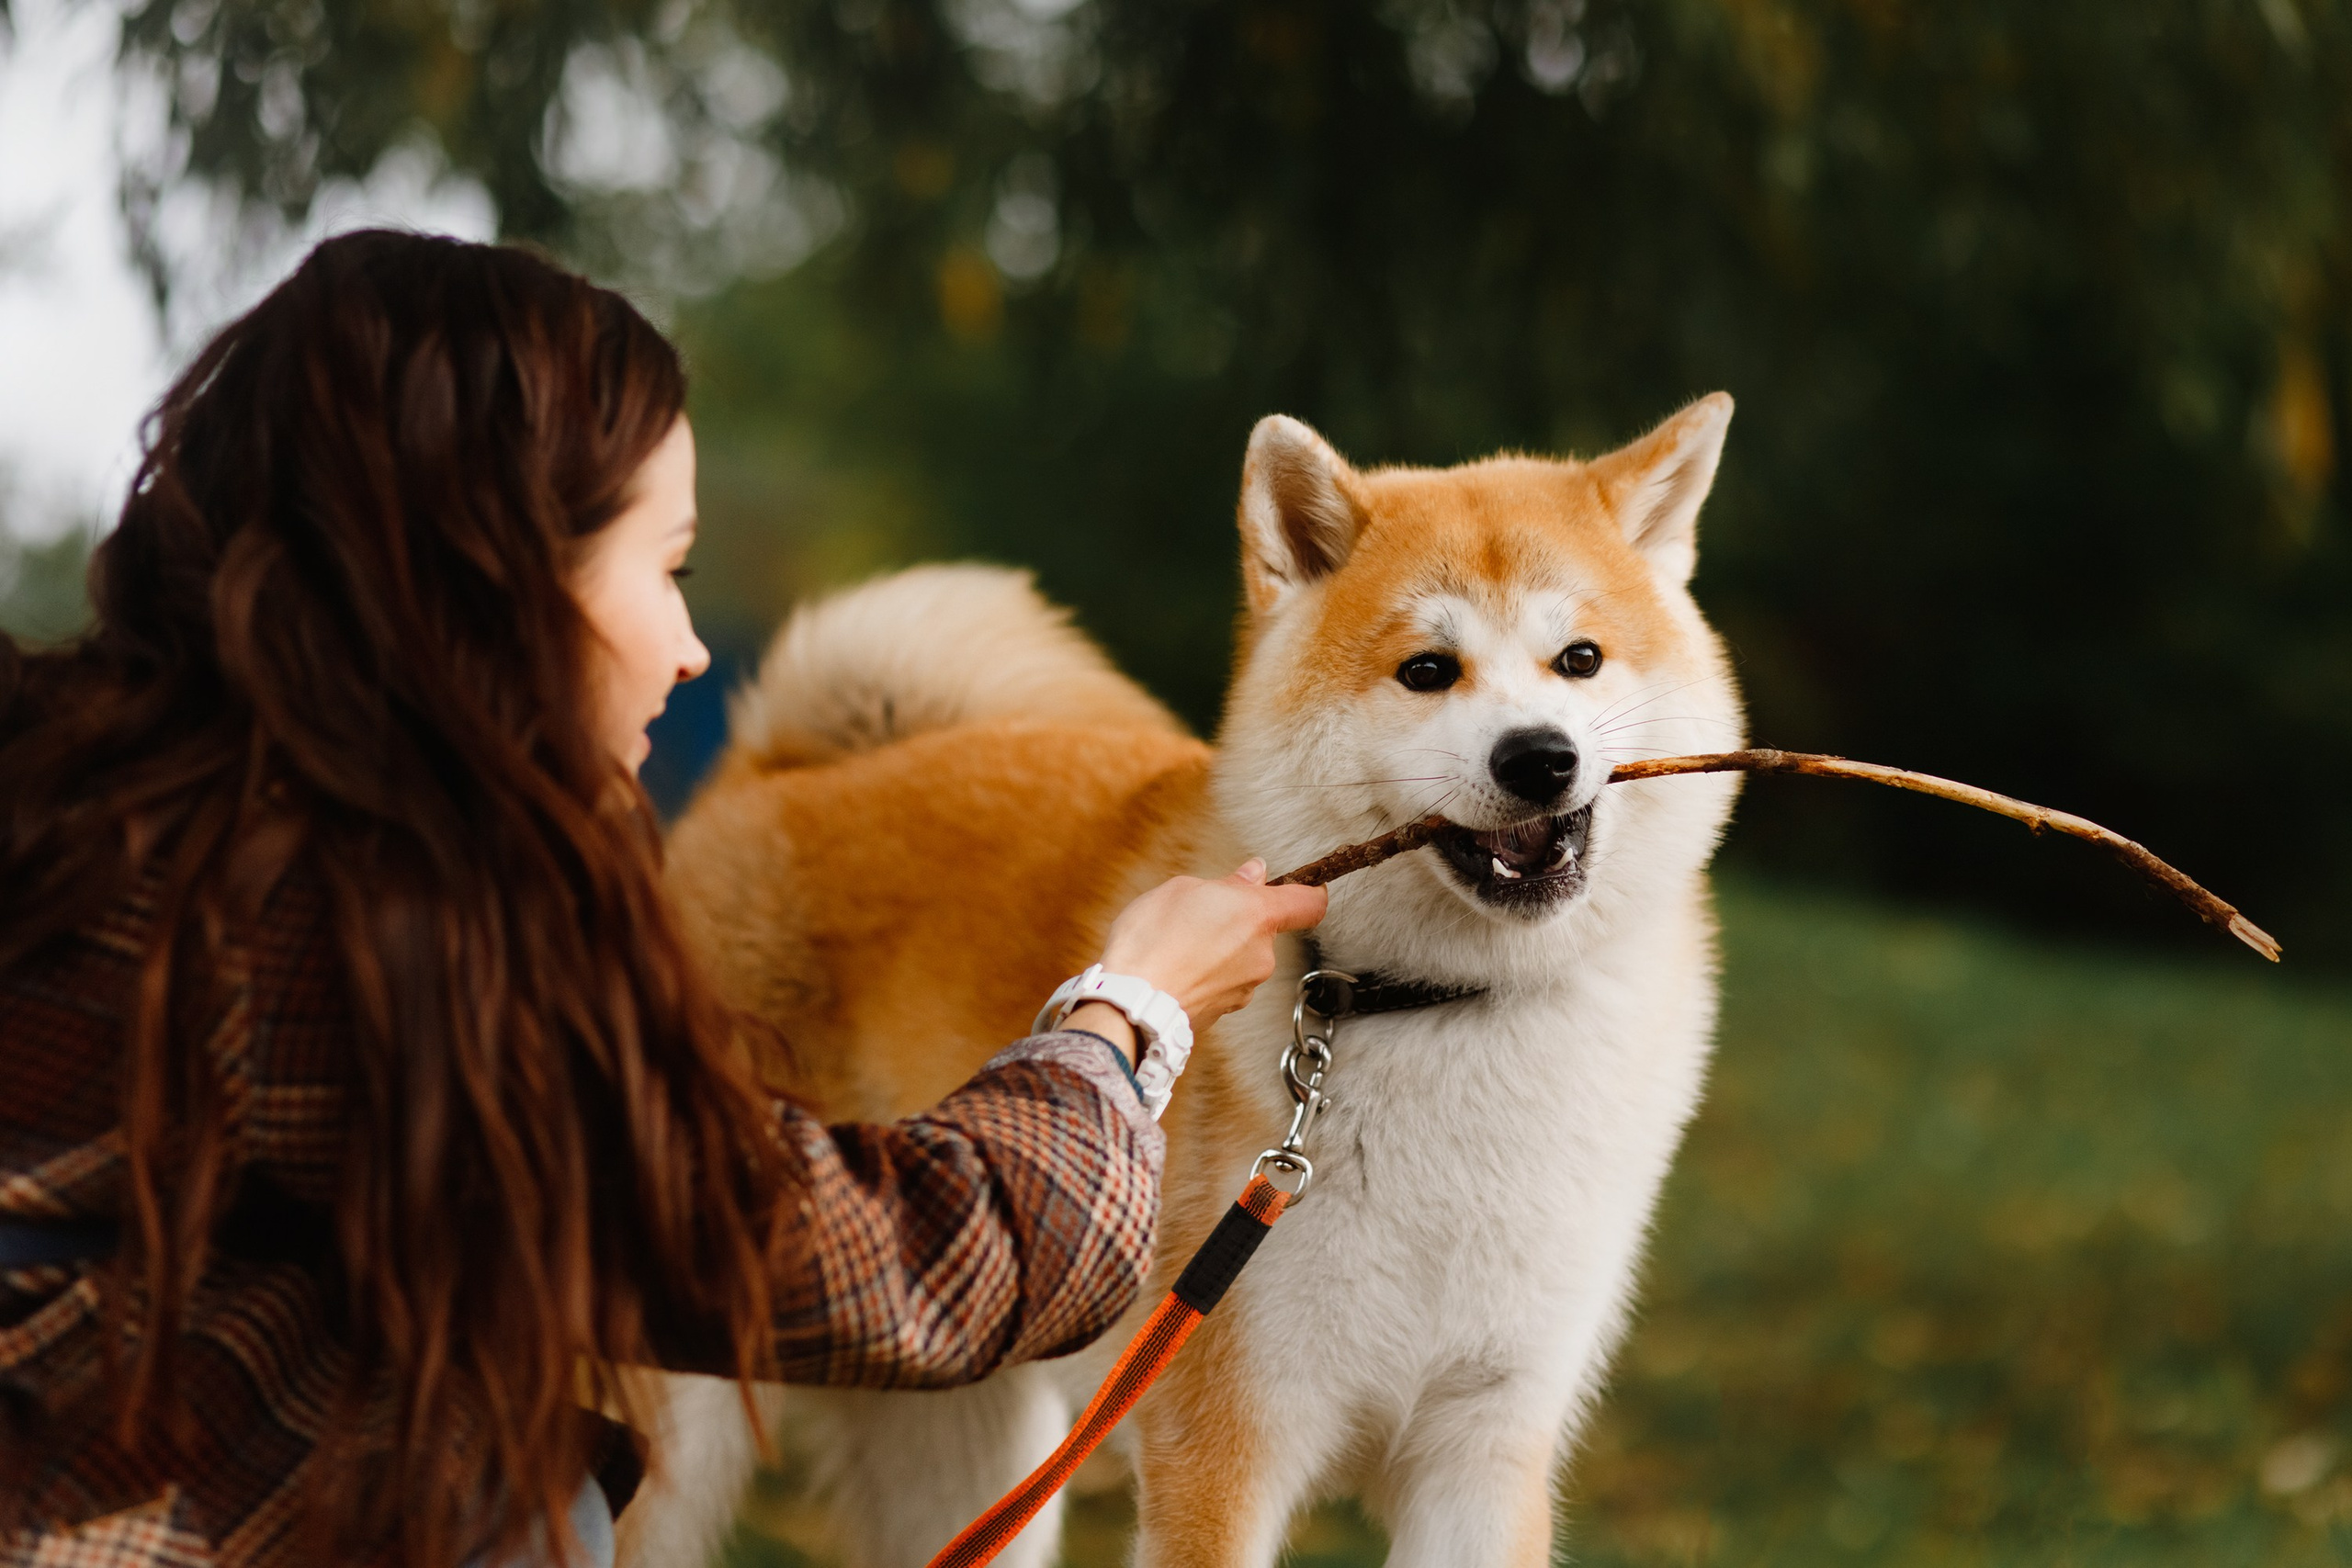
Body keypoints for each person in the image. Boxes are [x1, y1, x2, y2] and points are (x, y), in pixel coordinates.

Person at [0, 231, 1325, 1568]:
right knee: (516, 1500)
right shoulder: (356, 940)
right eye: (668, 564)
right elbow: (888, 1269)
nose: (693, 648)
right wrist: (1125, 1016)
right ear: (503, 570)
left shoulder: (94, 809)